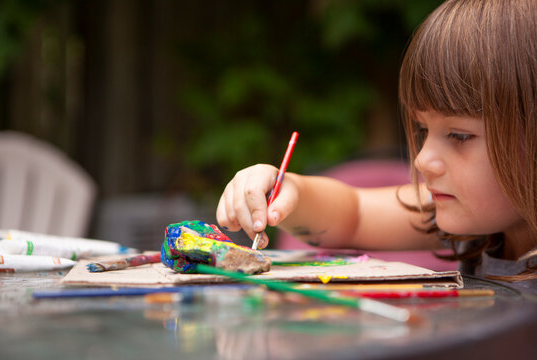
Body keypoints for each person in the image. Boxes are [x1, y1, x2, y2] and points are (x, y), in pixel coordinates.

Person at [216, 0, 537, 290]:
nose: (423, 160)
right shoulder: (474, 215)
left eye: (459, 136)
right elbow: (354, 215)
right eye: (423, 130)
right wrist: (290, 192)